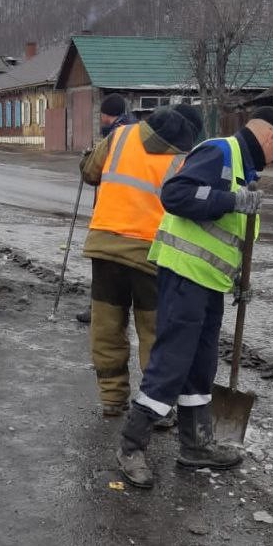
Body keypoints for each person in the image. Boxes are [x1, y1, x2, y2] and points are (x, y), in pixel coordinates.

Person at [116, 106, 273, 488]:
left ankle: (196, 445)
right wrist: (230, 201)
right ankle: (131, 446)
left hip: (210, 282)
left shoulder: (245, 173)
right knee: (172, 362)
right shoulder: (220, 152)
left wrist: (239, 280)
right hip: (184, 275)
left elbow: (231, 239)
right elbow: (175, 194)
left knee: (202, 365)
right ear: (270, 138)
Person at [79, 105, 202, 418]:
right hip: (153, 257)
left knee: (107, 328)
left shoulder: (120, 136)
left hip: (106, 249)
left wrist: (88, 156)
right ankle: (156, 407)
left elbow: (89, 172)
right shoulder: (186, 158)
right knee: (155, 333)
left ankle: (112, 398)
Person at [75, 94, 137, 325]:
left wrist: (88, 158)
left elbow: (91, 173)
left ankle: (100, 312)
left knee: (106, 267)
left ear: (105, 116)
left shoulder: (114, 138)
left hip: (112, 214)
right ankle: (125, 312)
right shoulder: (142, 135)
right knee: (131, 268)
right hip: (139, 216)